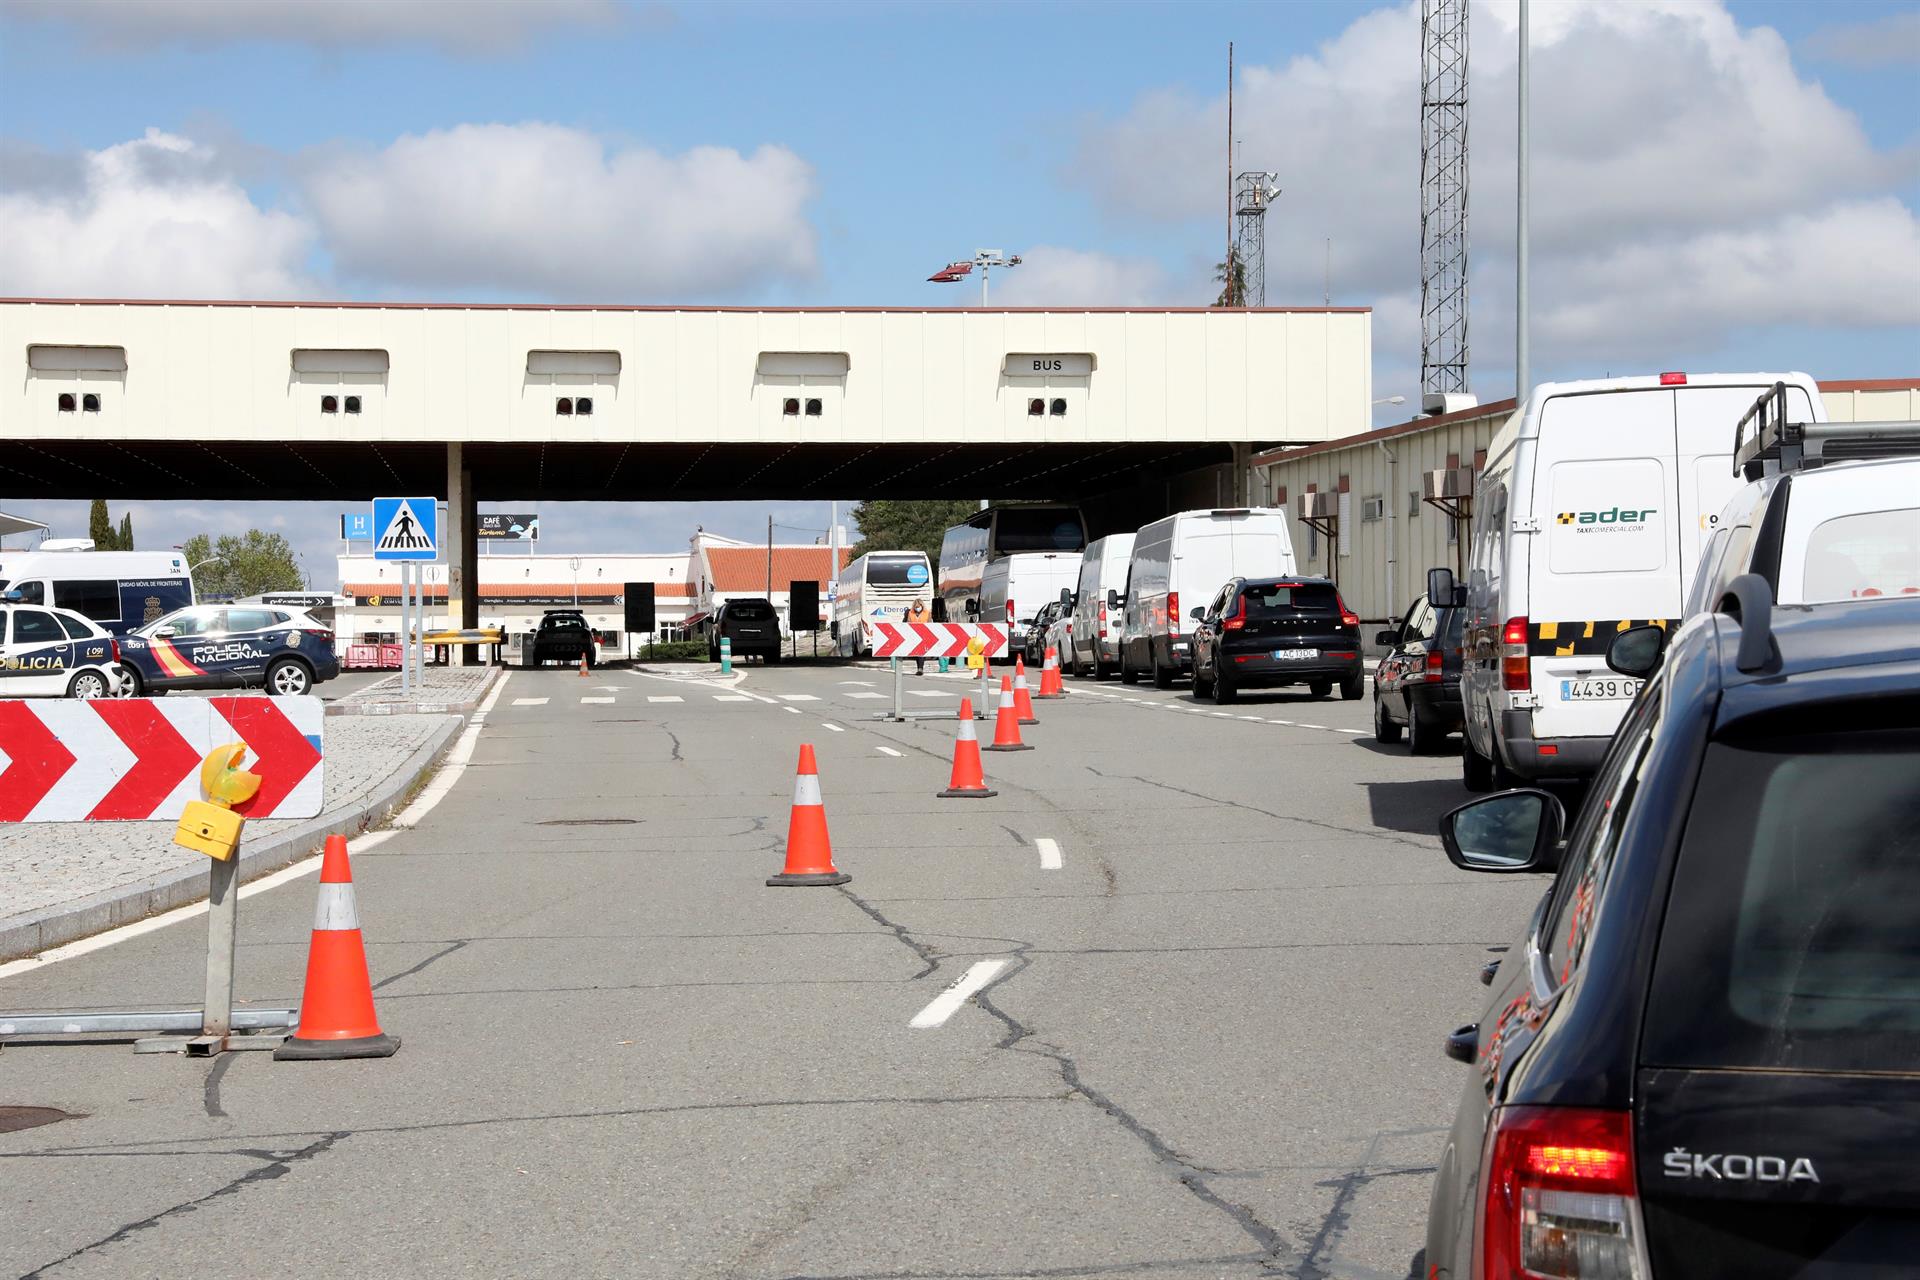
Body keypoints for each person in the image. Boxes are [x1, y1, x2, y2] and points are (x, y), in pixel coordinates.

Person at [906, 597, 931, 673]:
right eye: (916, 607)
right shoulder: (911, 613)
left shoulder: (927, 613)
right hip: (914, 636)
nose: (918, 608)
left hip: (924, 635)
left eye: (919, 606)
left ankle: (920, 668)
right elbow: (908, 623)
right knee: (917, 653)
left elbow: (930, 623)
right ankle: (919, 668)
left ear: (922, 606)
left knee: (921, 652)